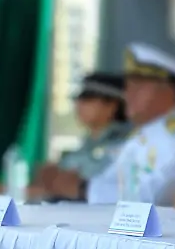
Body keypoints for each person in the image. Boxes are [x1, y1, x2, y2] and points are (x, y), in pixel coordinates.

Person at [87, 43, 175, 206]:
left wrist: (81, 189)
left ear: (167, 91)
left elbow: (158, 195)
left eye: (138, 87)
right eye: (127, 87)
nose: (128, 94)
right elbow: (112, 178)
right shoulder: (140, 137)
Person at [31, 73, 131, 201]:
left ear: (112, 105)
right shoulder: (88, 144)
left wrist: (59, 179)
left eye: (87, 98)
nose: (78, 103)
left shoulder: (126, 144)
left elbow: (86, 187)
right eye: (78, 98)